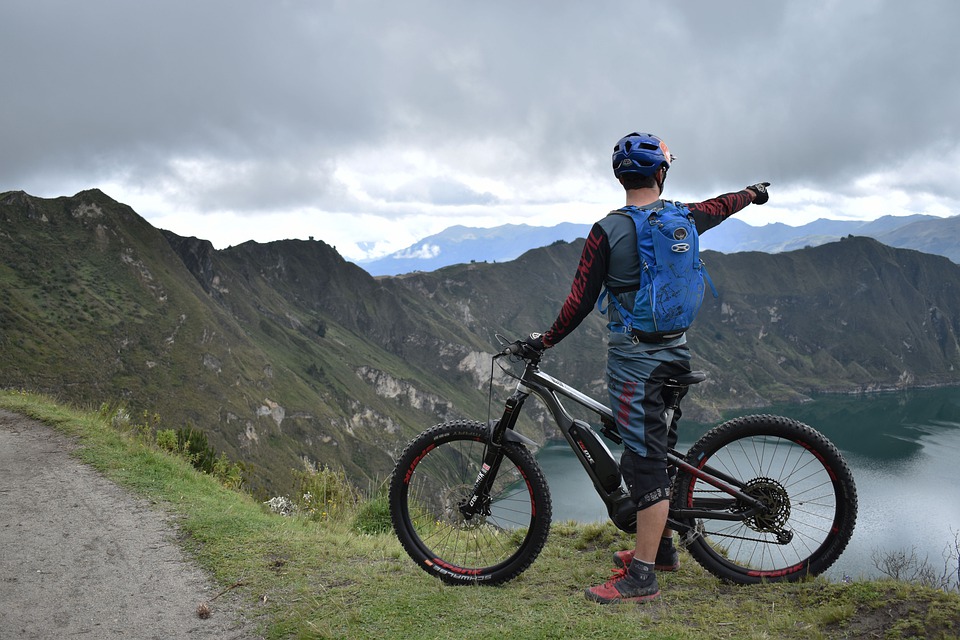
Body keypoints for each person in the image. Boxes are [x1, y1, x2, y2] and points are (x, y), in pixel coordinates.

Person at [523, 132, 770, 604]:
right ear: (661, 173)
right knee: (656, 449)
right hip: (676, 353)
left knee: (643, 461)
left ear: (620, 177)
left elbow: (578, 301)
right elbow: (723, 204)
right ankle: (663, 550)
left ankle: (642, 577)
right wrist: (754, 194)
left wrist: (545, 340)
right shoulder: (683, 217)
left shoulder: (607, 230)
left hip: (635, 362)